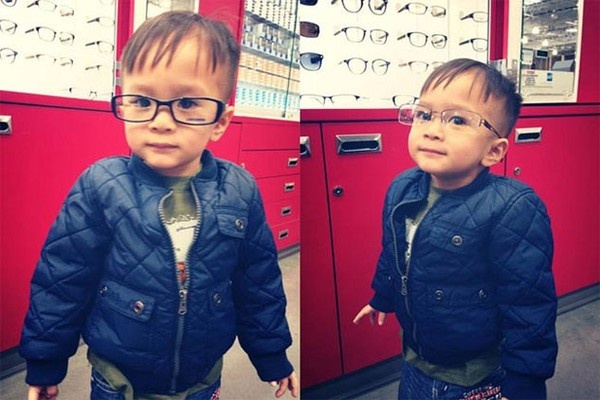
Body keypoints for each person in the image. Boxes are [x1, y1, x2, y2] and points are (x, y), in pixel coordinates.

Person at [20, 11, 298, 400]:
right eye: (141, 100)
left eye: (187, 102)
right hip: (118, 378)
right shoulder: (102, 185)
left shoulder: (240, 190)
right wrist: (45, 362)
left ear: (220, 121)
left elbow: (259, 282)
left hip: (202, 377)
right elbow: (62, 279)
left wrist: (272, 355)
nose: (161, 121)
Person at [353, 58, 557, 400]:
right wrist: (382, 297)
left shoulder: (512, 208)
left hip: (476, 375)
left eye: (458, 119)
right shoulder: (402, 188)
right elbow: (395, 253)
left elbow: (529, 303)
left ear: (494, 151)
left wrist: (526, 381)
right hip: (416, 361)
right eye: (424, 114)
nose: (432, 129)